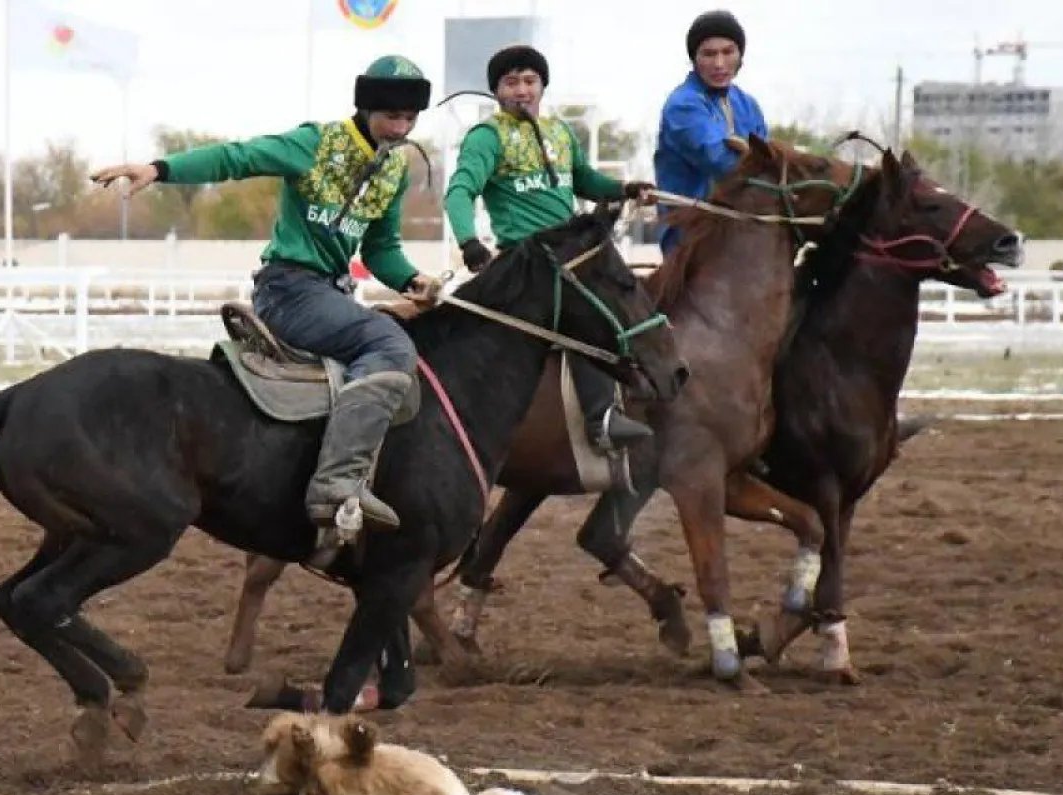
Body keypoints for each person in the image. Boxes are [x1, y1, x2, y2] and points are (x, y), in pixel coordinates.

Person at [90, 55, 441, 538]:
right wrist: (160, 167)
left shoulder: (393, 169)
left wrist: (411, 281)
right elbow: (238, 157)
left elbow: (380, 248)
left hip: (331, 294)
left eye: (410, 119)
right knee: (392, 346)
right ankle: (338, 483)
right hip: (289, 290)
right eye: (391, 117)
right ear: (364, 108)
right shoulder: (314, 143)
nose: (401, 128)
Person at [444, 44, 658, 455]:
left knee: (628, 299)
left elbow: (584, 181)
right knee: (587, 311)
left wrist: (623, 189)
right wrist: (469, 241)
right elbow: (460, 192)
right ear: (497, 91)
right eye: (511, 83)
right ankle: (601, 421)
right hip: (527, 260)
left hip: (573, 253)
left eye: (529, 81)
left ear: (542, 85)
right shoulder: (487, 137)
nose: (521, 90)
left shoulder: (561, 132)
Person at [653, 10, 769, 257]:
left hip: (744, 232)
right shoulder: (682, 105)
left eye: (728, 52)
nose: (719, 63)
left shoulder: (748, 104)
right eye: (708, 53)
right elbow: (724, 163)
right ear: (694, 59)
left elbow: (768, 166)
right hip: (691, 236)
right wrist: (758, 161)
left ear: (740, 56)